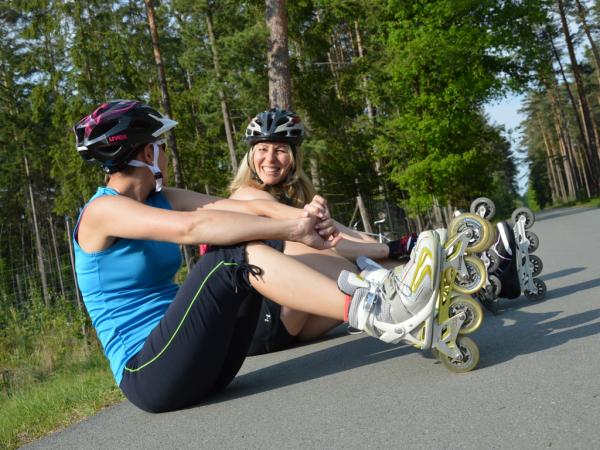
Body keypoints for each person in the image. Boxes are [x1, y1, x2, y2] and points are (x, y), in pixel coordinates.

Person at [72, 100, 439, 413]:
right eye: (161, 146)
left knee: (241, 240)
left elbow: (237, 209)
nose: (166, 155)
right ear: (146, 153)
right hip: (150, 374)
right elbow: (189, 229)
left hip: (205, 364)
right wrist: (290, 232)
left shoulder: (161, 196)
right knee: (228, 258)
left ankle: (391, 291)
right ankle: (378, 312)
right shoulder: (102, 211)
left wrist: (303, 219)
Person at [227, 108, 416, 355]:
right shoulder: (244, 195)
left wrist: (398, 253)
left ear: (294, 157)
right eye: (263, 149)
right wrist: (391, 248)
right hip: (259, 323)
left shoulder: (296, 196)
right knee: (351, 270)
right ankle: (404, 286)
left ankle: (439, 288)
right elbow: (319, 240)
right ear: (251, 156)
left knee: (380, 268)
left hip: (294, 325)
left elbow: (344, 234)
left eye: (280, 150)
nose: (270, 159)